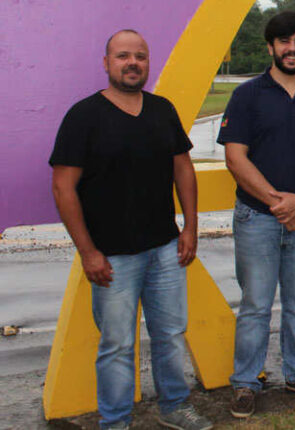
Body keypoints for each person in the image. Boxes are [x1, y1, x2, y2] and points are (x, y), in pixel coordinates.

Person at [50, 30, 211, 430]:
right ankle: (116, 421)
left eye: (140, 56)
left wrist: (189, 228)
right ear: (106, 63)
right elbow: (62, 186)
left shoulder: (162, 110)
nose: (132, 62)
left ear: (148, 63)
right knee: (117, 345)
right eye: (123, 56)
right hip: (111, 255)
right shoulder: (83, 116)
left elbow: (183, 169)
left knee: (171, 335)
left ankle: (174, 408)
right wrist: (88, 251)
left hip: (165, 249)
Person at [217, 11, 295, 418]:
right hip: (257, 218)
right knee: (255, 303)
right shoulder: (247, 96)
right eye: (285, 41)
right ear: (270, 47)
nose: (293, 49)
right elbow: (235, 158)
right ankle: (244, 382)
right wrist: (279, 203)